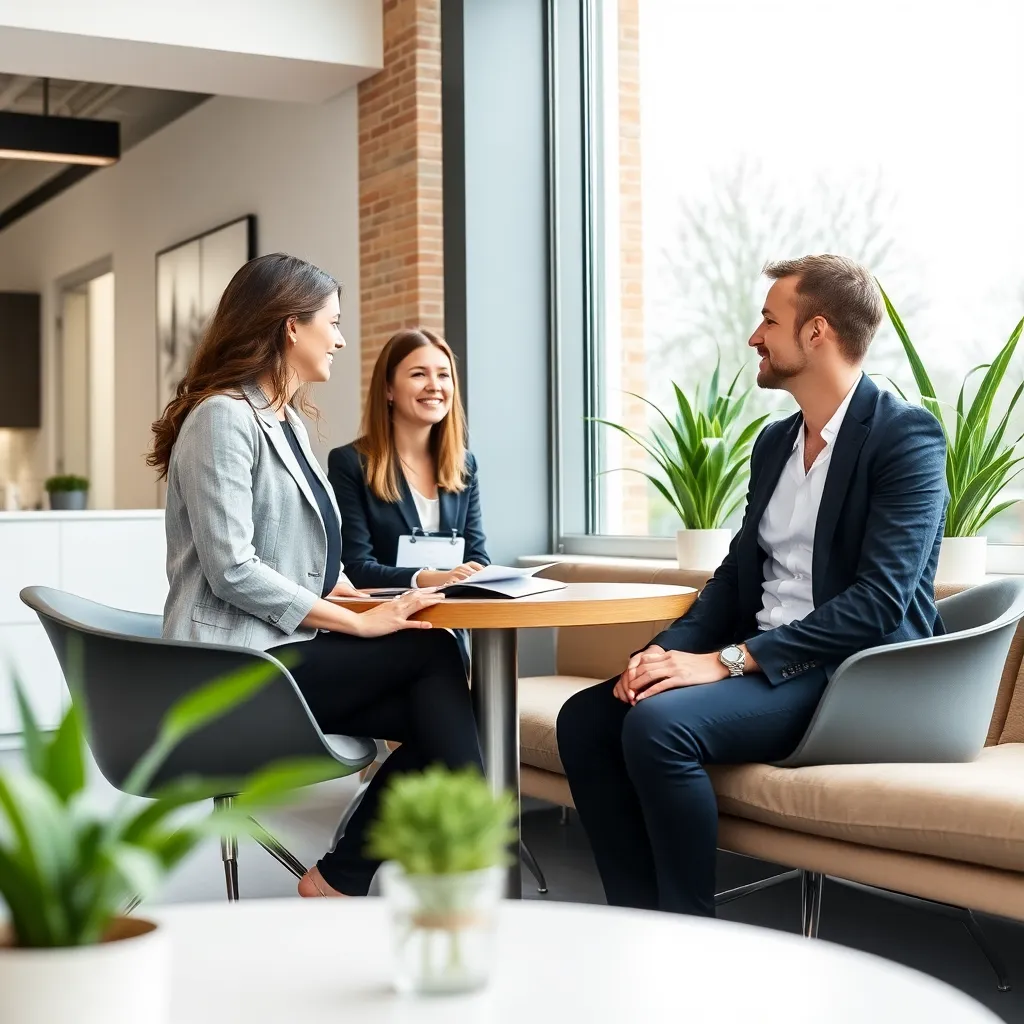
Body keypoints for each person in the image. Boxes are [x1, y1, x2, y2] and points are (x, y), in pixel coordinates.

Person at [556, 254, 948, 917]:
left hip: (850, 674)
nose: (754, 336)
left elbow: (880, 603)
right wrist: (659, 656)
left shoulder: (904, 437)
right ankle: (632, 919)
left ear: (817, 332)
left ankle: (690, 930)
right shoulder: (774, 443)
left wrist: (725, 661)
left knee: (658, 728)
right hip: (768, 661)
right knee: (588, 718)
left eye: (769, 319)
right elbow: (737, 577)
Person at [151, 253, 483, 899]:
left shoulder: (289, 420)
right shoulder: (223, 416)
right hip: (226, 668)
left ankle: (352, 874)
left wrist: (365, 594)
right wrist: (358, 627)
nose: (339, 337)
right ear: (288, 329)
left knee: (442, 710)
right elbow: (233, 570)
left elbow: (297, 557)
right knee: (434, 663)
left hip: (278, 651)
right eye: (331, 322)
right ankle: (398, 867)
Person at [327, 328, 489, 593]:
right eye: (419, 374)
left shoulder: (465, 465)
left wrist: (472, 574)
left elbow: (477, 559)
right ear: (388, 388)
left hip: (452, 621)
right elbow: (355, 567)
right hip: (387, 624)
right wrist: (432, 578)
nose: (434, 385)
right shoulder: (351, 463)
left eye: (443, 375)